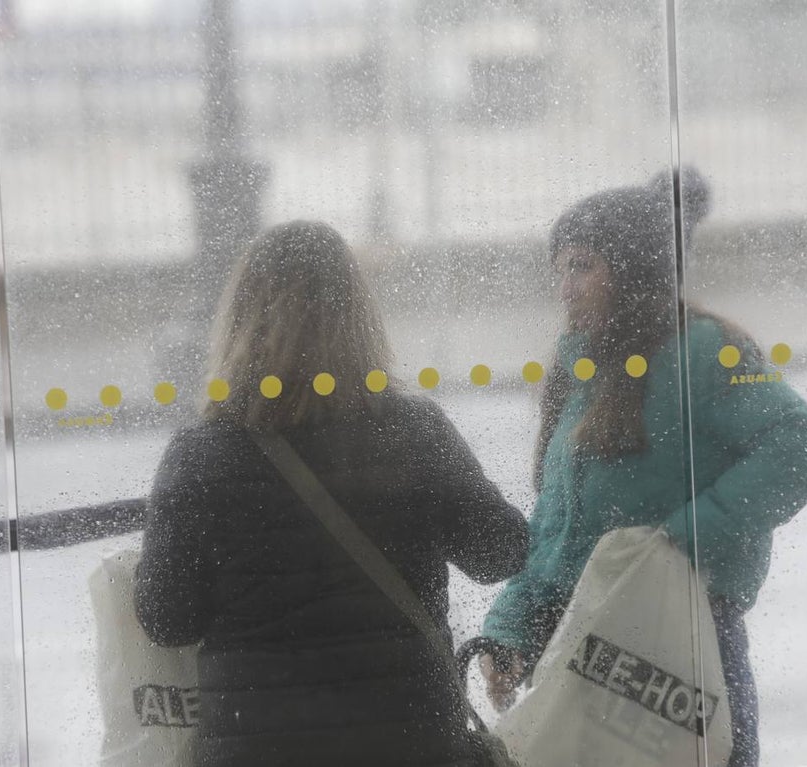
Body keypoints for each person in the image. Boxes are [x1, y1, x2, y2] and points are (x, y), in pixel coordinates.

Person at [135, 220, 530, 767]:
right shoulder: (413, 431)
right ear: (359, 316)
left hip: (258, 749)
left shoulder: (202, 455)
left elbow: (166, 619)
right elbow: (499, 553)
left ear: (239, 320)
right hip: (411, 742)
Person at [479, 169, 807, 767]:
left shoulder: (703, 351)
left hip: (683, 650)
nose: (565, 287)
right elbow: (555, 533)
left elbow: (802, 449)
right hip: (590, 652)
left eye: (583, 265)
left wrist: (681, 541)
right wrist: (509, 630)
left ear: (633, 270)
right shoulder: (577, 368)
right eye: (559, 268)